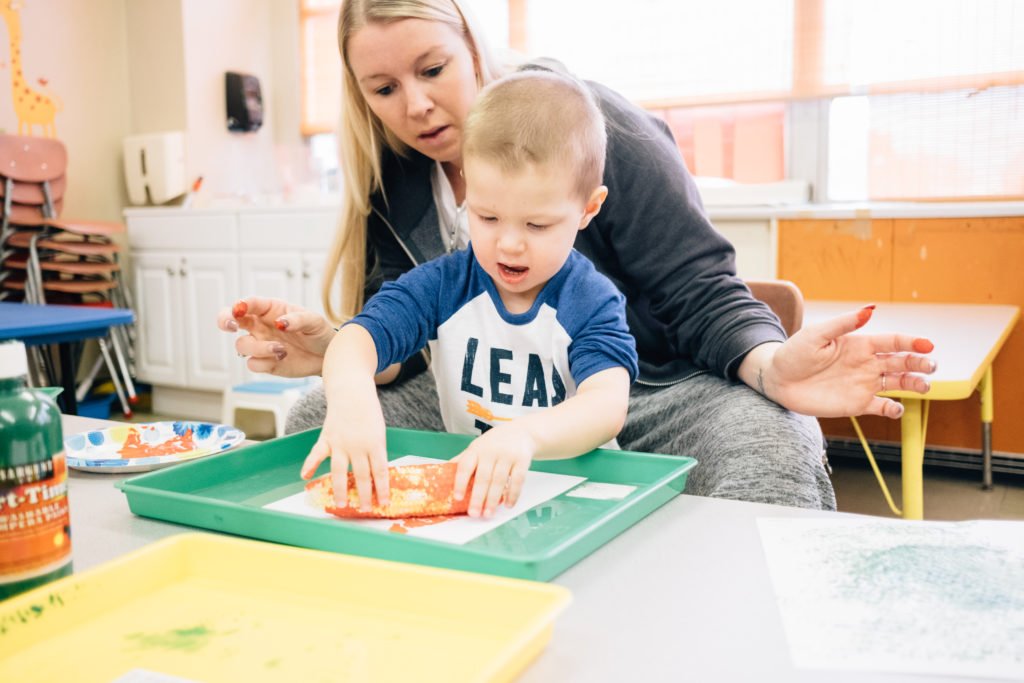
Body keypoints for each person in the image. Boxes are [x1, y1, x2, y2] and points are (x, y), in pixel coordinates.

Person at [218, 0, 937, 511]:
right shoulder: (397, 172)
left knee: (771, 440)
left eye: (432, 69)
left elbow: (700, 290)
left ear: (471, 44)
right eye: (384, 89)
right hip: (479, 389)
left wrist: (772, 366)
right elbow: (400, 326)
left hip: (644, 389)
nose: (417, 107)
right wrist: (341, 350)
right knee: (317, 413)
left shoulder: (597, 129)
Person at [300, 71, 638, 518]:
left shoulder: (590, 299)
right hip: (477, 501)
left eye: (537, 225)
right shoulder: (445, 284)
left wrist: (525, 436)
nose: (509, 244)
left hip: (578, 497)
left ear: (587, 209)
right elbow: (357, 338)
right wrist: (352, 399)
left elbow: (606, 404)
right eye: (488, 217)